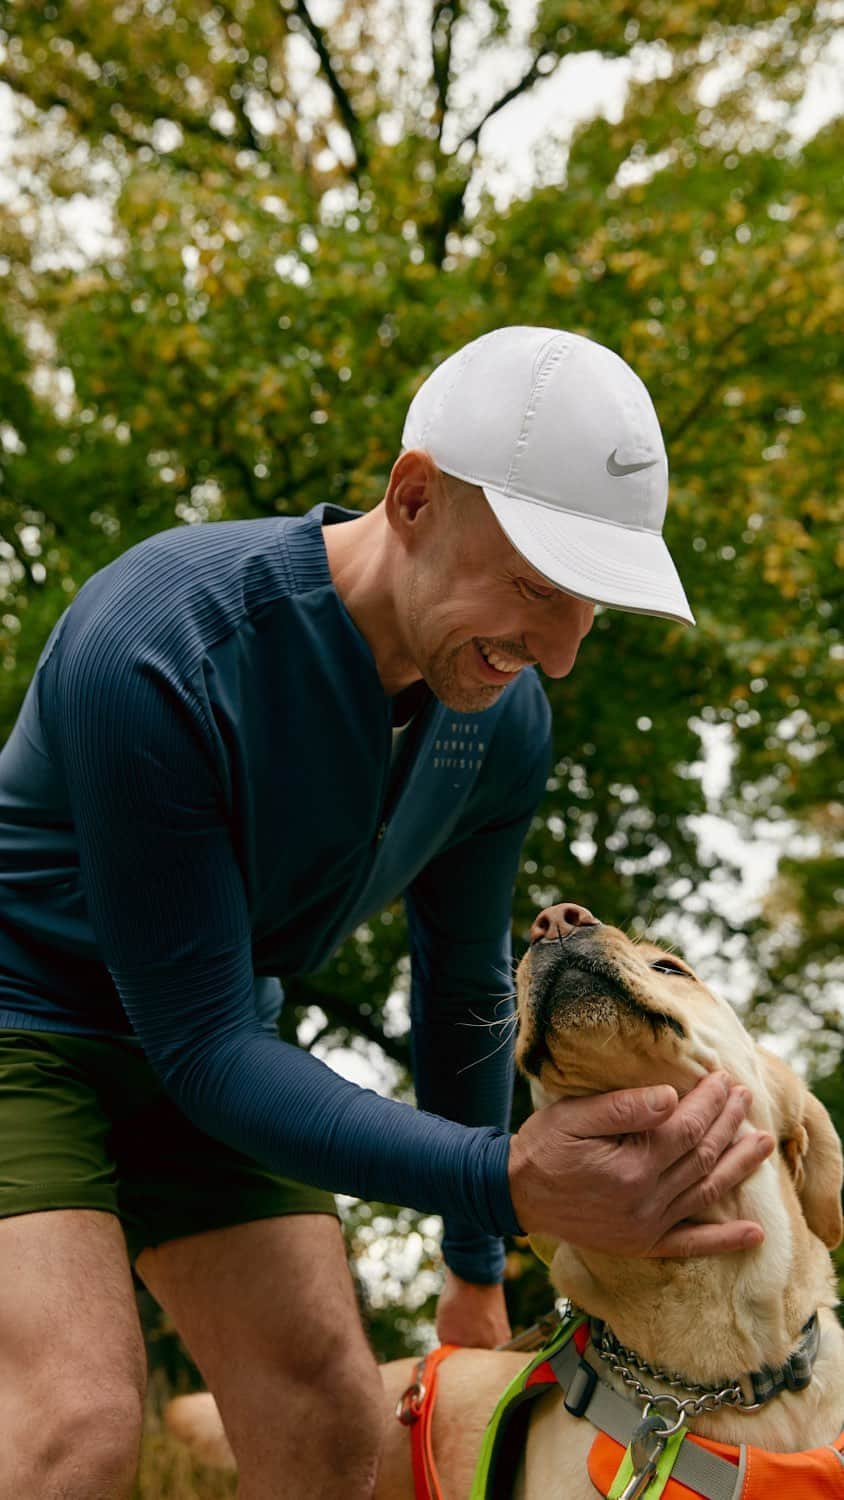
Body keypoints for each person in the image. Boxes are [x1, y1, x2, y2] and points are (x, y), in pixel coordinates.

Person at [0, 326, 774, 1499]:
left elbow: (464, 978)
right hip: (25, 1028)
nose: (559, 654)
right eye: (535, 586)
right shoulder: (154, 647)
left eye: (591, 607)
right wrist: (502, 1178)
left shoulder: (498, 718)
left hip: (210, 1049)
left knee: (333, 1417)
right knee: (77, 1425)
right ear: (413, 498)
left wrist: (474, 1264)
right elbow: (207, 1047)